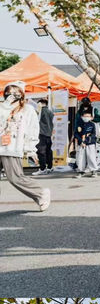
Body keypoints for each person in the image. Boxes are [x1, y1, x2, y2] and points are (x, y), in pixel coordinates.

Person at [0, 82, 50, 212]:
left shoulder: (28, 110)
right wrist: (5, 106)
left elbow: (32, 130)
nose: (10, 96)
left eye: (14, 93)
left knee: (15, 177)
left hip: (11, 147)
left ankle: (40, 193)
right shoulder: (2, 107)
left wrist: (30, 149)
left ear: (21, 94)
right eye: (8, 93)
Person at [73, 108, 100, 178]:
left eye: (88, 116)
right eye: (85, 116)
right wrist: (81, 141)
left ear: (91, 117)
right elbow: (76, 134)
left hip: (90, 143)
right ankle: (81, 171)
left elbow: (93, 134)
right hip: (81, 144)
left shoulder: (92, 125)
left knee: (91, 157)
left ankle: (94, 171)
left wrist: (85, 141)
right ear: (82, 116)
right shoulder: (79, 124)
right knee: (80, 157)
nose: (86, 118)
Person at [35, 99, 54, 175]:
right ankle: (50, 167)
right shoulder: (50, 112)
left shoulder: (41, 112)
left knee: (41, 152)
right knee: (48, 151)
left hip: (41, 134)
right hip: (49, 134)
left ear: (41, 103)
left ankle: (42, 168)